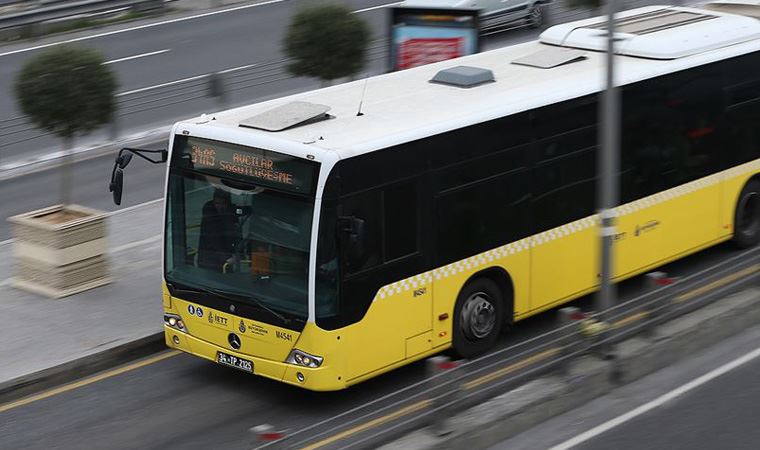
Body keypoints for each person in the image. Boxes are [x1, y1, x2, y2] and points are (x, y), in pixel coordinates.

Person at [197, 188, 241, 272]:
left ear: (227, 203)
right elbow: (213, 238)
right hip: (210, 260)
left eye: (223, 204)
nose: (219, 206)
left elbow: (236, 231)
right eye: (217, 203)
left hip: (226, 257)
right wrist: (227, 257)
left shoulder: (229, 211)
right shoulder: (209, 211)